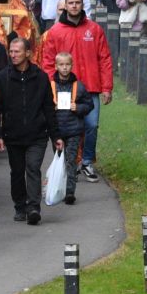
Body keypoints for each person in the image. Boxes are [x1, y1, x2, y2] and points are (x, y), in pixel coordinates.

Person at [37, 0, 113, 183]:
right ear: (66, 6)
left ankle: (86, 161)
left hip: (91, 86)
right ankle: (68, 163)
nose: (74, 6)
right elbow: (47, 62)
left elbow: (104, 59)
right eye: (70, 3)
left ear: (82, 5)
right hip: (64, 88)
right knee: (66, 127)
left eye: (77, 2)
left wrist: (107, 87)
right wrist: (49, 88)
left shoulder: (95, 30)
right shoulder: (55, 32)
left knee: (91, 125)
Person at [0, 35, 54, 225]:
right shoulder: (2, 78)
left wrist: (56, 135)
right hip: (13, 134)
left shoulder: (40, 77)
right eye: (11, 51)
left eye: (17, 51)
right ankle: (19, 205)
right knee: (17, 171)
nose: (13, 55)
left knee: (33, 168)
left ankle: (33, 207)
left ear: (28, 53)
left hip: (37, 134)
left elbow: (48, 107)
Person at [49, 51, 96, 207]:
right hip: (56, 131)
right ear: (56, 66)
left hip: (74, 130)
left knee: (71, 161)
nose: (64, 68)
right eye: (61, 65)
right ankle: (58, 188)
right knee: (59, 161)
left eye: (67, 64)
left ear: (72, 65)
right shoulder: (50, 86)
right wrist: (51, 108)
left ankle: (70, 192)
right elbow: (42, 106)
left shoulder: (79, 86)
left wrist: (78, 107)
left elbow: (90, 105)